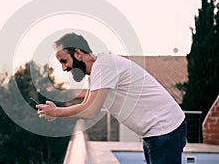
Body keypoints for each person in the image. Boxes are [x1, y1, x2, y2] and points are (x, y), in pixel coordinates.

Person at [36, 32, 187, 164]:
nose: (64, 68)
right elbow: (85, 105)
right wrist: (55, 111)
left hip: (165, 129)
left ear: (78, 53)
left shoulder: (103, 66)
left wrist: (56, 112)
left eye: (64, 61)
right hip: (155, 132)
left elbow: (90, 111)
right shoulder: (97, 71)